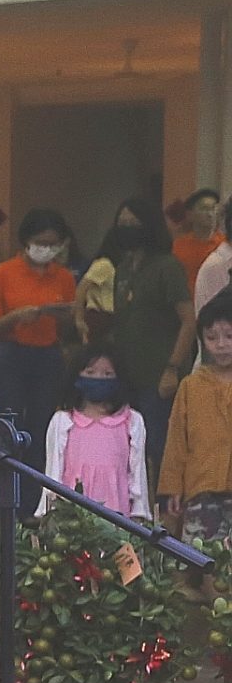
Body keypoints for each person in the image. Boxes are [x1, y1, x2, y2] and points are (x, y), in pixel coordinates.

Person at [0, 209, 77, 514]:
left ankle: (35, 504)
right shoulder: (2, 273)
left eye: (53, 243)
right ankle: (8, 503)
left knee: (41, 431)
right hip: (11, 354)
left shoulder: (63, 276)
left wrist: (66, 315)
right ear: (25, 242)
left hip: (48, 357)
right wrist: (16, 317)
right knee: (9, 431)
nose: (46, 248)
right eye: (40, 242)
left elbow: (71, 324)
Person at [96, 199, 193, 481]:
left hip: (159, 374)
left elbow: (188, 319)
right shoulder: (124, 267)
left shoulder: (167, 266)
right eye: (122, 224)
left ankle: (166, 514)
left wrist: (173, 368)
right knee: (130, 447)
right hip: (128, 374)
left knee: (160, 446)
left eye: (133, 225)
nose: (126, 230)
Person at [39, 347, 149, 520]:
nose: (99, 378)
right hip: (72, 521)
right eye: (90, 372)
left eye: (107, 374)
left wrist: (139, 514)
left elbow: (138, 473)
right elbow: (53, 472)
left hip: (118, 519)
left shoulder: (132, 421)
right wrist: (48, 513)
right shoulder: (62, 422)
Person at [159, 294, 232, 542]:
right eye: (212, 338)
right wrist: (171, 488)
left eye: (230, 337)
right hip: (200, 488)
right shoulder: (191, 386)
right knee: (203, 563)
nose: (221, 345)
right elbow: (177, 440)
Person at [169, 189, 221, 288]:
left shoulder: (225, 246)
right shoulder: (178, 246)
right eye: (204, 209)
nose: (210, 214)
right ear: (190, 215)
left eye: (214, 209)